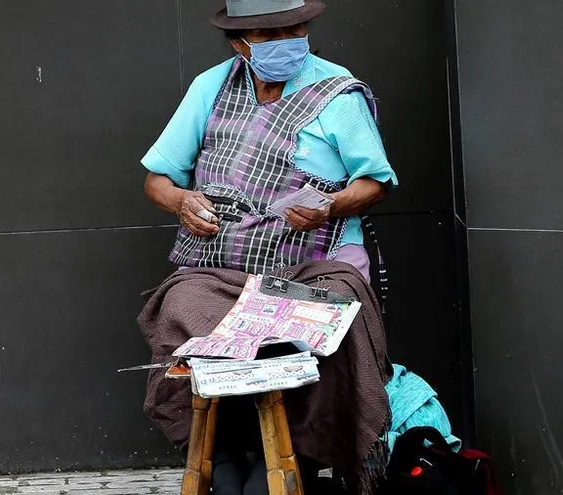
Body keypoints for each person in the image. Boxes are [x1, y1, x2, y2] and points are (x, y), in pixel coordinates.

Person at [138, 1, 397, 494]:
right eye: (267, 34)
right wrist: (182, 202)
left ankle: (298, 455)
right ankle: (227, 451)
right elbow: (158, 180)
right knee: (182, 308)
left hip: (314, 264)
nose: (285, 41)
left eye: (293, 29)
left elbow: (376, 183)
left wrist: (330, 205)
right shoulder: (211, 87)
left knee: (330, 320)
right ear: (239, 43)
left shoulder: (338, 91)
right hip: (219, 265)